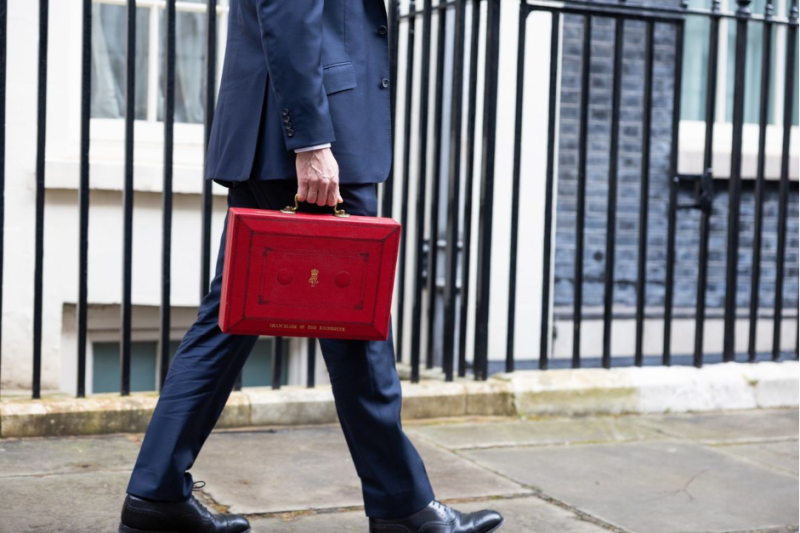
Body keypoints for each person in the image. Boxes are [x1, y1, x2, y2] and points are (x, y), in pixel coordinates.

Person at [117, 1, 504, 532]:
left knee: (227, 321)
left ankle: (156, 495)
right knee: (358, 331)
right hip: (310, 141)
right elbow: (289, 13)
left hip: (273, 136)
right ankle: (405, 509)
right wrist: (312, 142)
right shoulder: (313, 146)